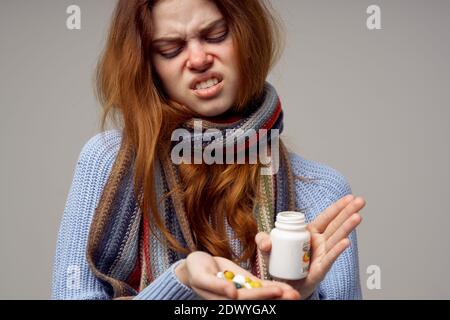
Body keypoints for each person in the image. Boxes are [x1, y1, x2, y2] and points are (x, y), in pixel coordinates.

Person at [52, 0, 365, 300]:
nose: (199, 59)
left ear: (247, 34)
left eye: (215, 35)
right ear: (149, 65)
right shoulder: (108, 164)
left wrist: (297, 295)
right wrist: (182, 281)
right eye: (170, 49)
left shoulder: (323, 193)